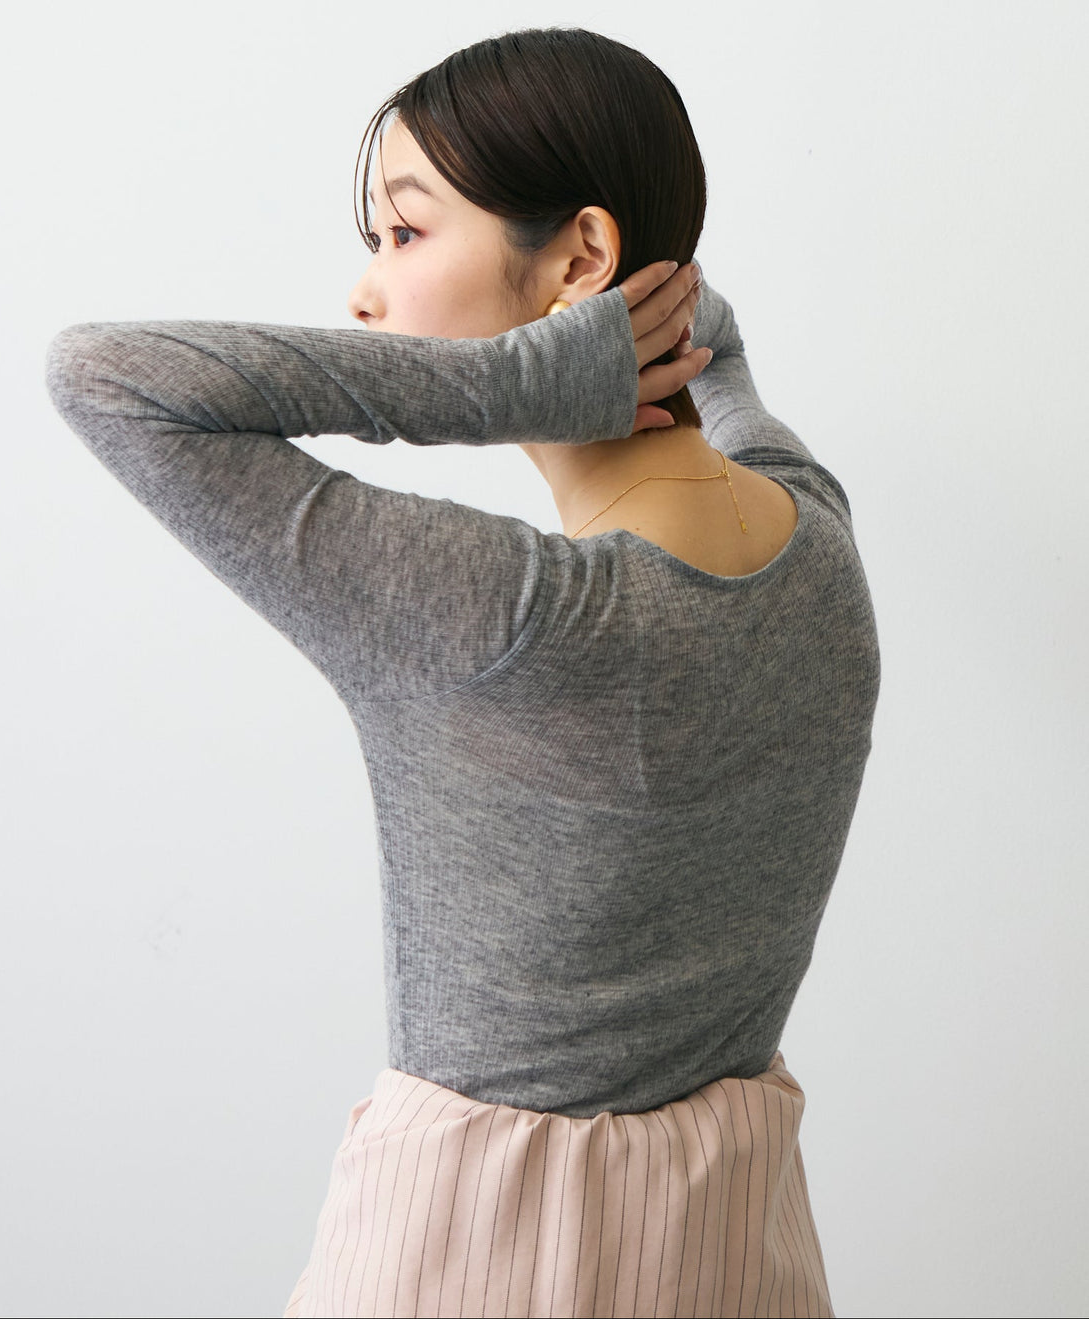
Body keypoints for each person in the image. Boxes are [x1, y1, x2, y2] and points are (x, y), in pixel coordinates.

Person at [45, 26, 879, 1319]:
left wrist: (501, 382)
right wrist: (636, 317)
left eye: (403, 232)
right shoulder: (817, 539)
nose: (365, 294)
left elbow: (102, 377)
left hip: (470, 1258)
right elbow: (726, 359)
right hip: (734, 1250)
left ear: (582, 259)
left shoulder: (510, 616)